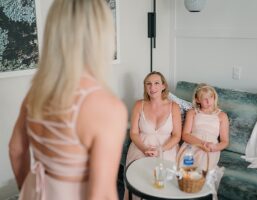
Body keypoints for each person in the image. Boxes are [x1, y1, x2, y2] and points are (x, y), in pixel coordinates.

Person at [8, 0, 127, 200]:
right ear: (101, 35)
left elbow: (16, 150)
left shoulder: (37, 91)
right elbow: (102, 195)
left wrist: (27, 190)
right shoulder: (107, 107)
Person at [124, 71, 181, 199]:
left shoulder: (174, 107)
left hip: (167, 148)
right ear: (145, 87)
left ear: (163, 86)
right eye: (148, 84)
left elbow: (177, 135)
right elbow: (133, 133)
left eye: (156, 83)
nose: (152, 87)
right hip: (141, 146)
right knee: (140, 177)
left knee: (165, 182)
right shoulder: (139, 105)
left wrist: (161, 150)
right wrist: (144, 149)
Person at [178, 83, 229, 171]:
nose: (208, 101)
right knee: (184, 168)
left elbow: (225, 141)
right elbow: (185, 135)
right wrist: (202, 143)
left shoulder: (222, 115)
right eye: (204, 99)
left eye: (211, 97)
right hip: (193, 143)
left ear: (214, 97)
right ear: (197, 100)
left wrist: (215, 147)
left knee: (201, 169)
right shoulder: (192, 112)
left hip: (210, 147)